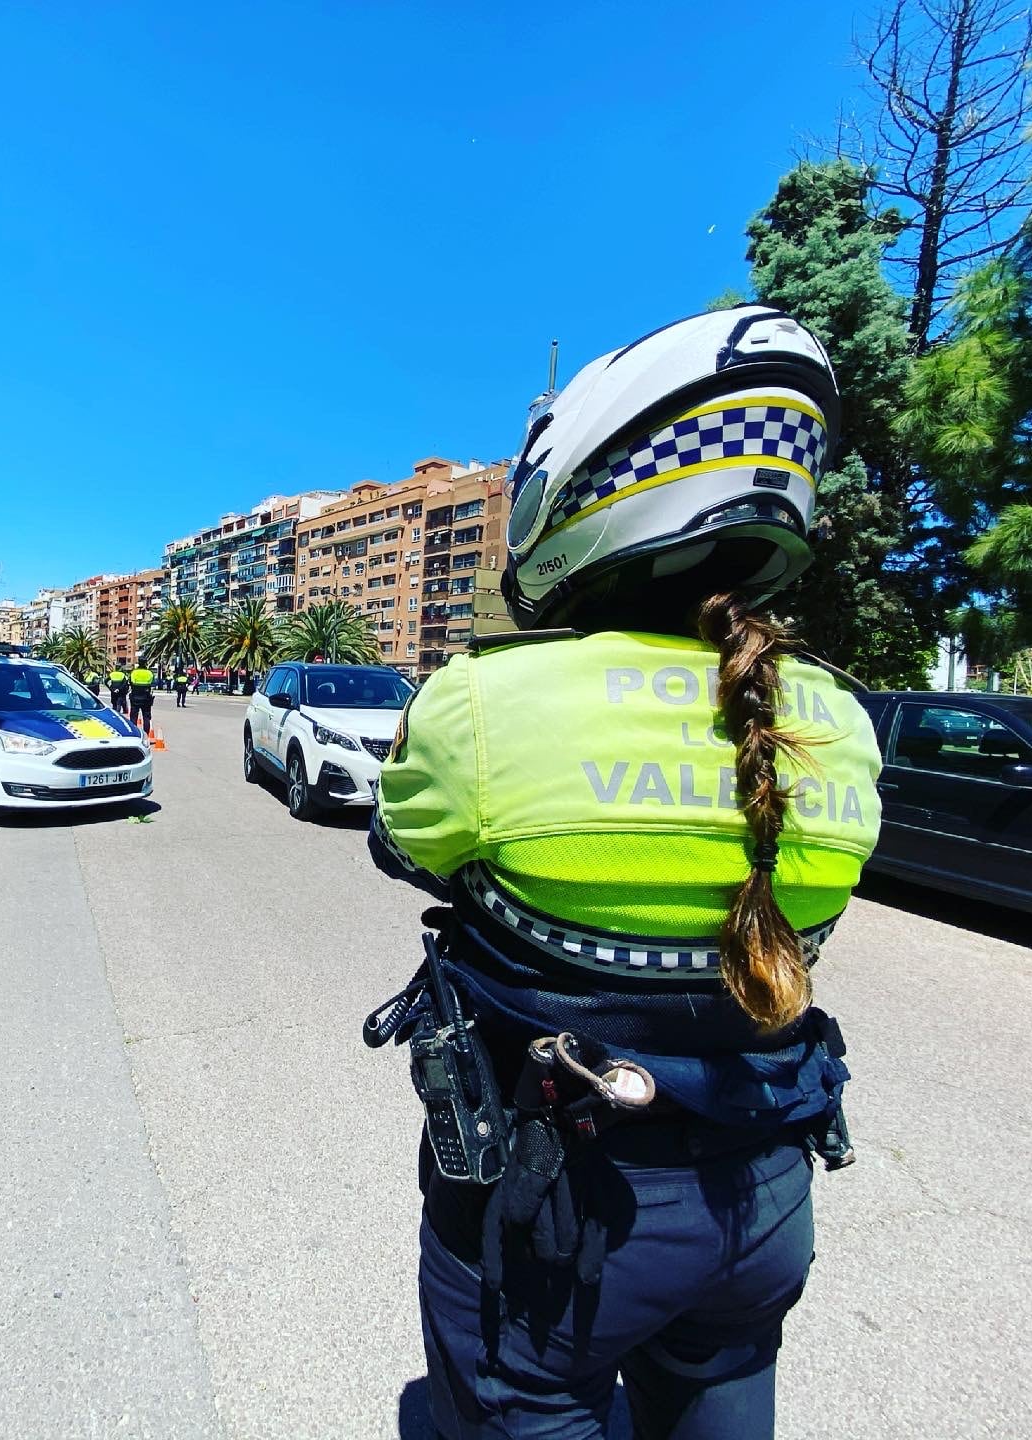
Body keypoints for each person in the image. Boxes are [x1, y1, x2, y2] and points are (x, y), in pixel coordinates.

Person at [368, 306, 882, 1440]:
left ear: (581, 491)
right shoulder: (838, 716)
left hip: (561, 1210)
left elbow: (402, 850)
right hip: (765, 1190)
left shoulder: (487, 701)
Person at [128, 662, 155, 731]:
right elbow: (153, 683)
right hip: (146, 697)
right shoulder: (149, 673)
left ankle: (134, 733)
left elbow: (130, 682)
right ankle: (146, 733)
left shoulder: (134, 672)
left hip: (135, 697)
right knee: (146, 717)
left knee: (133, 716)